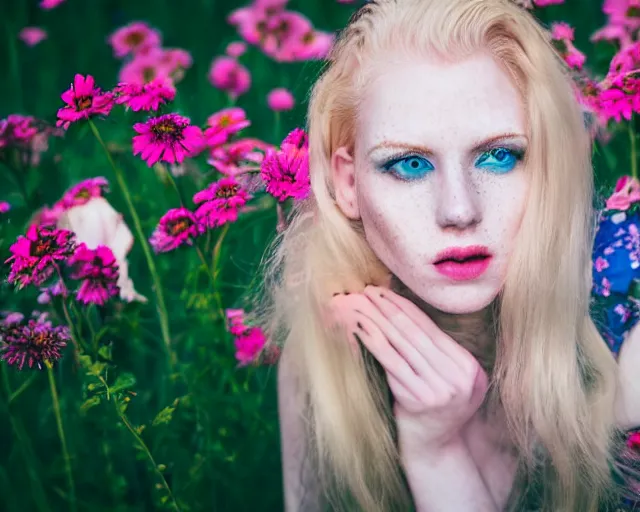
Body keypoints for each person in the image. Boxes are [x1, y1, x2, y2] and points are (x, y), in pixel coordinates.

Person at [250, 0, 640, 509]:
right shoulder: (327, 355)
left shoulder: (627, 324)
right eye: (409, 164)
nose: (459, 209)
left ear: (549, 162)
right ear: (347, 184)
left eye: (500, 156)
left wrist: (436, 457)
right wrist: (432, 443)